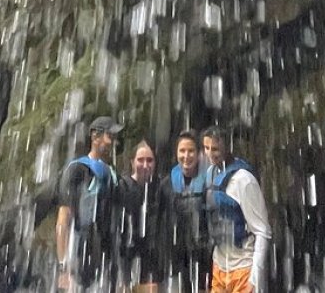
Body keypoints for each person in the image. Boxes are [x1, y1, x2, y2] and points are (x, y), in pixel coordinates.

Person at [56, 116, 124, 291]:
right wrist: (63, 266)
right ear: (95, 137)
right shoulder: (76, 170)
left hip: (107, 260)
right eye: (110, 137)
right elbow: (63, 219)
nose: (114, 143)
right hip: (80, 255)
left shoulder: (113, 175)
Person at [202, 127, 272, 293]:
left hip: (243, 268)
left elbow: (263, 231)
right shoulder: (211, 174)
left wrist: (255, 277)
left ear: (227, 147)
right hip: (219, 266)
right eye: (206, 148)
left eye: (215, 149)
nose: (210, 154)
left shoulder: (244, 180)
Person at [159, 130, 211, 292]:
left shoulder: (210, 182)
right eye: (182, 151)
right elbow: (160, 222)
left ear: (199, 153)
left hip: (204, 259)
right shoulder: (166, 184)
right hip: (176, 260)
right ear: (176, 153)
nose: (186, 156)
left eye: (191, 151)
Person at [118, 140, 166, 292]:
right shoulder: (122, 187)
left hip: (152, 257)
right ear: (132, 162)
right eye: (140, 160)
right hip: (126, 255)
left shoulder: (161, 187)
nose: (145, 165)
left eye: (150, 160)